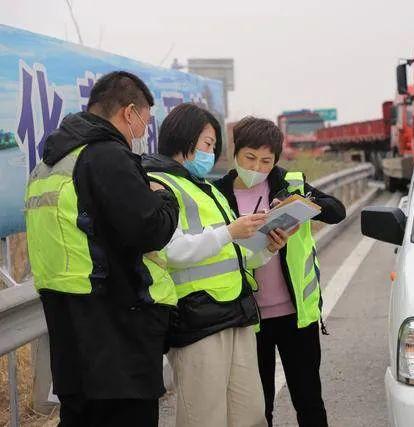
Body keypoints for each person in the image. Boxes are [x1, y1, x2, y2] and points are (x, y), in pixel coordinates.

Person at [24, 71, 180, 426]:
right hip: (117, 339)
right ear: (129, 112)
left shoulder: (50, 163)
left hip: (70, 337)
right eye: (144, 121)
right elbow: (149, 228)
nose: (142, 132)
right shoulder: (107, 156)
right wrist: (166, 198)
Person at [142, 103, 291, 427]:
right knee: (205, 417)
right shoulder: (157, 184)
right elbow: (169, 250)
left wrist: (266, 249)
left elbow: (232, 253)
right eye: (207, 144)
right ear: (184, 138)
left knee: (250, 414)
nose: (211, 152)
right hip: (197, 320)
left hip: (236, 313)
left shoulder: (207, 189)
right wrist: (228, 232)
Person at [216, 117, 346, 427]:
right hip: (248, 319)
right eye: (249, 158)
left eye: (266, 161)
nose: (257, 167)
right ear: (236, 152)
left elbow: (337, 210)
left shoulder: (290, 184)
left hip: (295, 314)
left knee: (309, 400)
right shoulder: (216, 192)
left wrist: (298, 205)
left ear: (276, 159)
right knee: (258, 408)